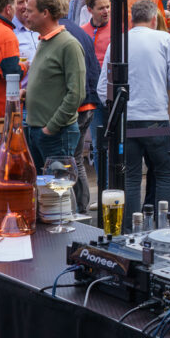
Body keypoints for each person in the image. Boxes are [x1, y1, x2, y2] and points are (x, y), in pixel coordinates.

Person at [98, 0, 170, 221]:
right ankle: (162, 228)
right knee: (165, 175)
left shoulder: (117, 42)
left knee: (131, 178)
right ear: (154, 19)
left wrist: (122, 105)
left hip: (126, 120)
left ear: (131, 19)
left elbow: (102, 89)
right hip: (156, 118)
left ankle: (129, 231)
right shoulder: (164, 38)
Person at [22, 0, 86, 166]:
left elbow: (77, 94)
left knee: (58, 189)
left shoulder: (68, 44)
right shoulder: (45, 41)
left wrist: (51, 128)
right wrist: (27, 94)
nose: (25, 14)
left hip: (57, 134)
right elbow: (51, 84)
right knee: (47, 188)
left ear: (45, 13)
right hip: (39, 130)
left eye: (30, 10)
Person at [59, 12, 101, 213]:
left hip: (78, 106)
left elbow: (75, 80)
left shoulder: (63, 33)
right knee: (75, 159)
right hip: (87, 103)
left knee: (68, 160)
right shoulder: (78, 30)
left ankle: (76, 209)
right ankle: (81, 207)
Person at [82, 0, 112, 189]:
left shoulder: (118, 29)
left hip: (113, 93)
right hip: (93, 94)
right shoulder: (82, 30)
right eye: (101, 8)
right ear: (90, 9)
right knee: (99, 146)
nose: (106, 11)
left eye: (108, 7)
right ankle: (103, 190)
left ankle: (117, 188)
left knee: (118, 143)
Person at [12, 0, 39, 74]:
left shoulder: (42, 28)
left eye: (28, 2)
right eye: (20, 2)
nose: (26, 6)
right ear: (13, 5)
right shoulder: (9, 31)